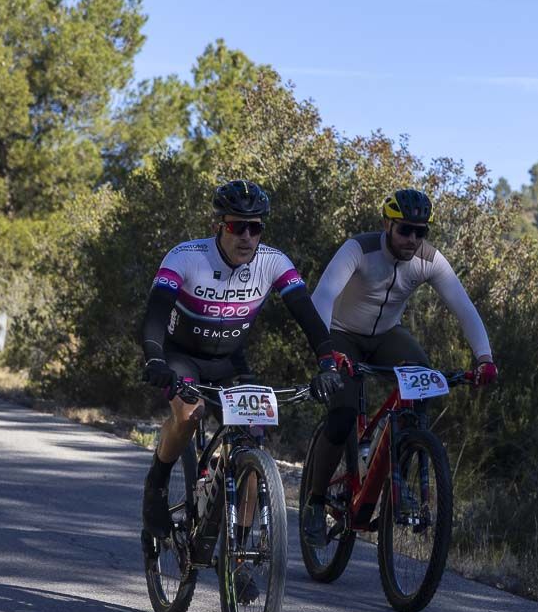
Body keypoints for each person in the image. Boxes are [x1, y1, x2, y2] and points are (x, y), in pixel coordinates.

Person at [138, 179, 344, 561]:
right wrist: (154, 359)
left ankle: (240, 556)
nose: (247, 236)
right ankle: (158, 482)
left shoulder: (272, 262)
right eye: (237, 226)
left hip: (230, 360)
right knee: (189, 413)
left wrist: (327, 362)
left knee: (251, 439)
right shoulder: (186, 257)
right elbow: (154, 315)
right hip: (181, 355)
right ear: (219, 224)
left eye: (256, 227)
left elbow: (307, 316)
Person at [301, 188, 498, 546]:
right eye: (405, 229)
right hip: (342, 334)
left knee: (422, 378)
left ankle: (398, 482)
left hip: (386, 335)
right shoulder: (359, 249)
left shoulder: (429, 260)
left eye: (420, 232)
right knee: (343, 412)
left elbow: (463, 307)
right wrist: (327, 353)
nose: (412, 239)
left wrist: (484, 358)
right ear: (387, 224)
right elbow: (323, 296)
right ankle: (315, 501)